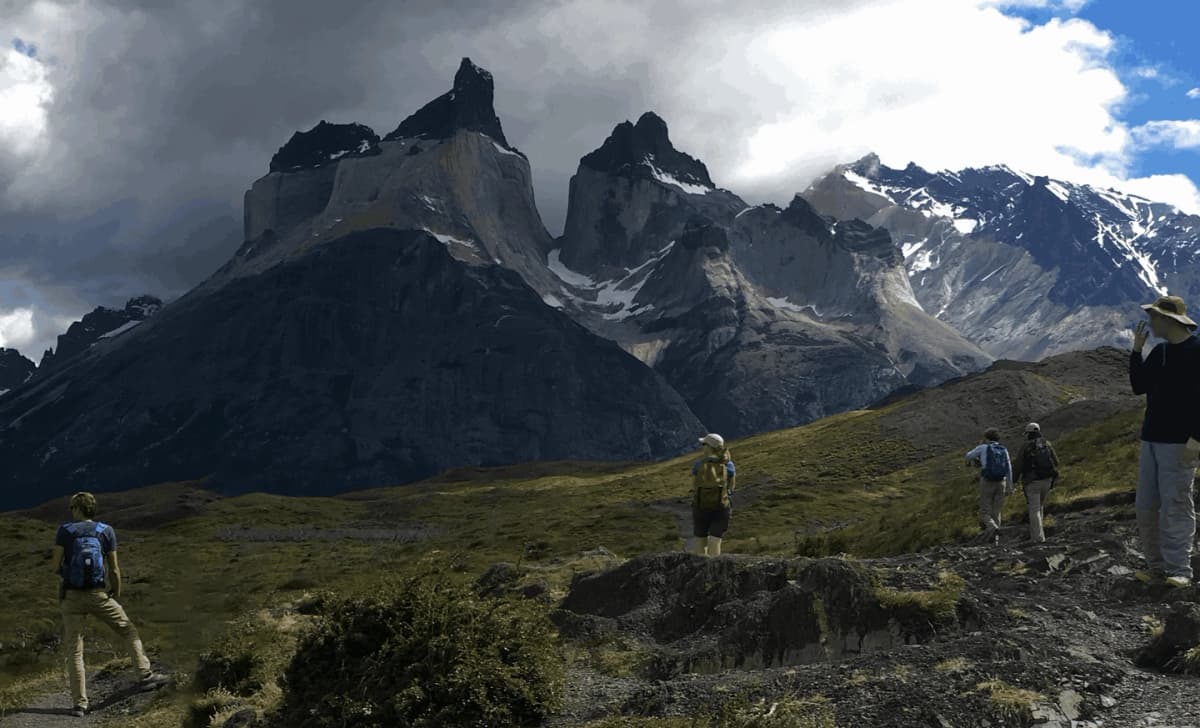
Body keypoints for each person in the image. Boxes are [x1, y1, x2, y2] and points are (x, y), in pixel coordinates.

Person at [53, 492, 168, 717]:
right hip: (99, 594)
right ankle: (144, 675)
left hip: (72, 597)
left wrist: (68, 576)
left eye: (71, 507)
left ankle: (80, 704)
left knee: (75, 650)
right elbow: (114, 568)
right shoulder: (106, 531)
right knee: (128, 630)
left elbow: (54, 565)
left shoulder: (65, 531)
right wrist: (115, 590)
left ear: (76, 508)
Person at [1130, 295, 1200, 588]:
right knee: (1146, 505)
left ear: (1168, 320)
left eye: (1154, 317)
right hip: (1152, 440)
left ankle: (1179, 569)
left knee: (1175, 503)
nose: (1150, 322)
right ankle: (1157, 567)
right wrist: (1136, 351)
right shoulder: (1158, 353)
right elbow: (1138, 387)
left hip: (1180, 443)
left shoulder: (1197, 352)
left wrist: (1197, 438)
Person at [1012, 422, 1060, 544]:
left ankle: (1038, 538)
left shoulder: (1025, 446)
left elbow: (1018, 465)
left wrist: (1014, 480)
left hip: (1032, 482)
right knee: (1040, 507)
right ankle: (1040, 535)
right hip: (1047, 480)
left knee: (1034, 510)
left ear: (1028, 433)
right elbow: (1056, 461)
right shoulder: (1047, 444)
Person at [690, 433, 736, 557]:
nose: (702, 446)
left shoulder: (698, 465)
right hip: (721, 507)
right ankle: (714, 568)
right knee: (715, 540)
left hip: (700, 507)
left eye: (703, 444)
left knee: (700, 539)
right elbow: (732, 487)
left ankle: (700, 568)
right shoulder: (729, 465)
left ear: (709, 447)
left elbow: (694, 486)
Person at [965, 428, 1014, 545]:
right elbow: (1009, 468)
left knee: (984, 512)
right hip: (1001, 481)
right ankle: (996, 541)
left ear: (986, 438)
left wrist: (979, 446)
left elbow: (968, 456)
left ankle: (993, 528)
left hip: (987, 481)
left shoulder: (983, 447)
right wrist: (1010, 486)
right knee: (996, 511)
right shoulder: (1004, 449)